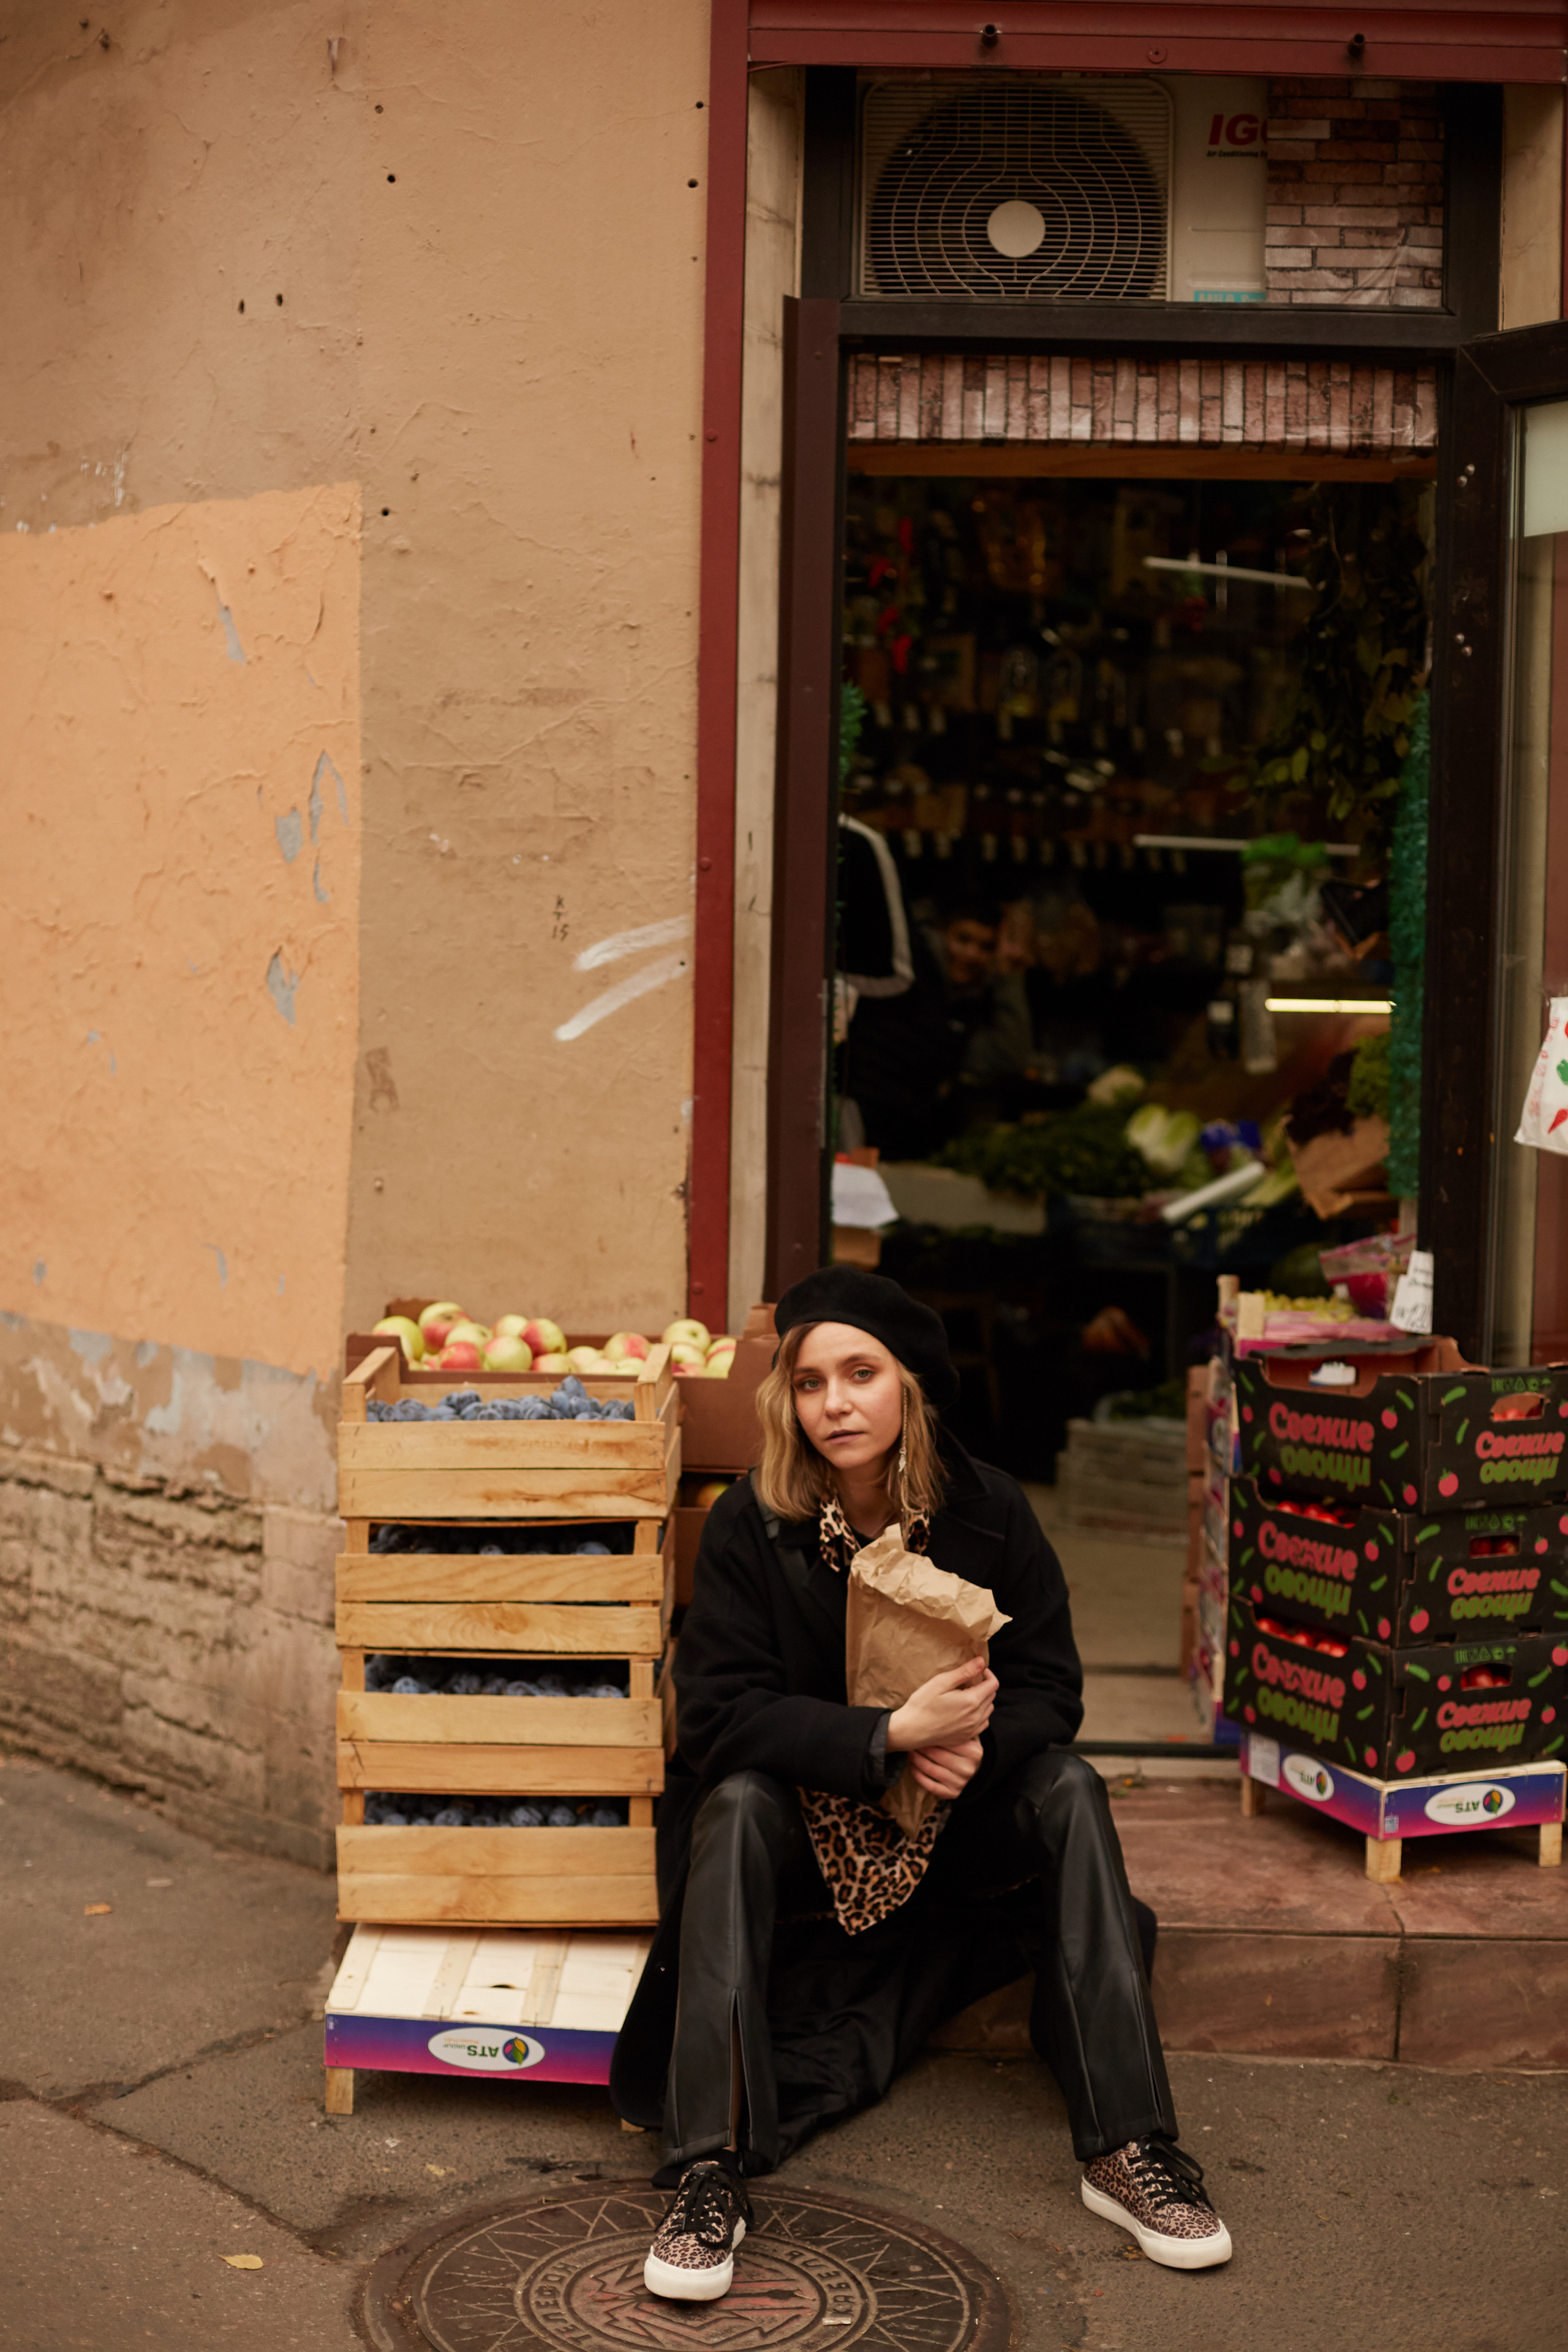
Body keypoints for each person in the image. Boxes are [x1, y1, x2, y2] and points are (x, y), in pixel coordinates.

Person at [610, 1265, 1232, 2300]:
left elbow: (1050, 1687)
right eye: (811, 1383)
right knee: (733, 1803)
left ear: (911, 1386)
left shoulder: (990, 1512)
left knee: (1069, 1786)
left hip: (949, 1831)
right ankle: (704, 2170)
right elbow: (718, 1718)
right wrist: (888, 1733)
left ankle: (1129, 2148)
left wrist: (972, 1748)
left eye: (861, 1374)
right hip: (803, 1844)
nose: (836, 1403)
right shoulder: (748, 1525)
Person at [841, 890, 1034, 1160]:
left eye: (986, 947)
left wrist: (1009, 978)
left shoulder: (965, 1004)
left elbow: (1006, 1057)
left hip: (899, 1150)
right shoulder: (908, 978)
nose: (971, 955)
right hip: (858, 1137)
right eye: (963, 939)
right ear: (940, 933)